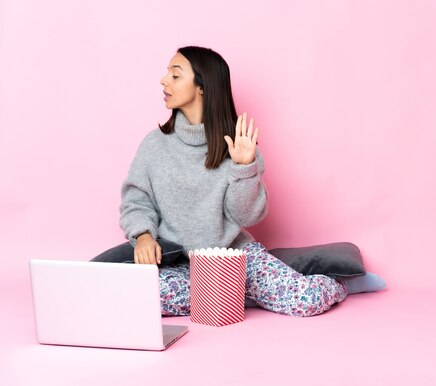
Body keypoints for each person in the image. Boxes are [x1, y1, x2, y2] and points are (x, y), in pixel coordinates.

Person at [91, 46, 349, 317]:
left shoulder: (239, 144)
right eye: (167, 73)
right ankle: (234, 295)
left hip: (234, 258)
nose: (164, 80)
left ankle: (341, 284)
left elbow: (247, 216)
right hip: (181, 265)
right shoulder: (154, 145)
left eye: (175, 75)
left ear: (202, 87)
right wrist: (142, 236)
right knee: (137, 297)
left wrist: (243, 167)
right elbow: (136, 200)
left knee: (305, 300)